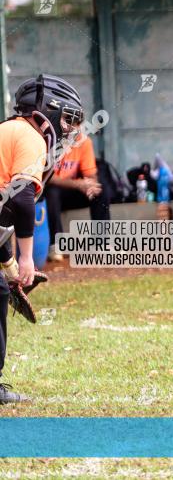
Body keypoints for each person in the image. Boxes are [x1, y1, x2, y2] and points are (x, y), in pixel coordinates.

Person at [0, 74, 84, 404]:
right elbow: (20, 200)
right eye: (68, 118)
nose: (70, 129)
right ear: (46, 110)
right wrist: (25, 260)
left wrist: (9, 269)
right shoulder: (30, 137)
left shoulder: (11, 133)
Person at [44, 129, 110, 262]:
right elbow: (47, 178)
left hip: (71, 190)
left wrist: (90, 184)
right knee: (52, 191)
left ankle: (101, 242)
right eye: (69, 120)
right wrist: (78, 184)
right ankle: (56, 245)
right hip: (50, 193)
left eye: (77, 122)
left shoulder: (84, 141)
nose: (73, 127)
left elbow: (91, 174)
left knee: (100, 190)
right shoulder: (48, 140)